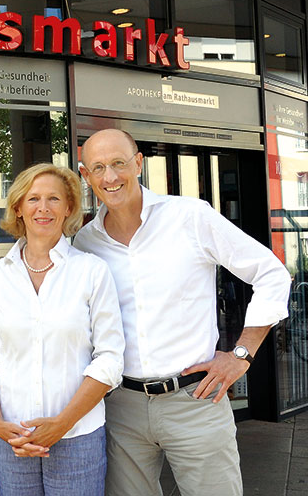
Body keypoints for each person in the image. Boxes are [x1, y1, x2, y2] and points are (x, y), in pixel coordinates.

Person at [74, 128, 290, 496]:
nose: (110, 177)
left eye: (118, 163)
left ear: (138, 163)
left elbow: (270, 273)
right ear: (85, 175)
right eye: (98, 168)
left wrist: (242, 355)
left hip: (195, 400)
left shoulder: (189, 216)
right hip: (120, 407)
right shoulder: (85, 242)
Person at [0, 163, 125, 496]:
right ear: (18, 208)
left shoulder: (92, 271)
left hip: (78, 437)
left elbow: (110, 359)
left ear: (68, 208)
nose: (43, 208)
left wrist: (61, 424)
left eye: (54, 199)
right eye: (33, 198)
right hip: (12, 438)